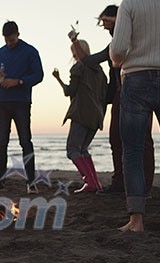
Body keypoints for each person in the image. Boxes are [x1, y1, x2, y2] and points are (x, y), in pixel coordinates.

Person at [110, 0, 160, 232]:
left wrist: (117, 62)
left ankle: (136, 220)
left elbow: (117, 49)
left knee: (133, 151)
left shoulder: (131, 4)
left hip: (137, 78)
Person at [69, 5, 155, 195]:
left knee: (143, 139)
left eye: (107, 21)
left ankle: (145, 185)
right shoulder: (114, 44)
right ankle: (120, 182)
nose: (105, 26)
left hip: (139, 91)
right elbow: (90, 60)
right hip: (119, 94)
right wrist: (75, 40)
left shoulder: (135, 38)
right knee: (116, 137)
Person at [0, 21, 44, 193]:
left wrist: (18, 81)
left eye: (11, 39)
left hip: (21, 102)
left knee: (25, 141)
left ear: (17, 34)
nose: (9, 42)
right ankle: (0, 181)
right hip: (1, 103)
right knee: (1, 142)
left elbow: (39, 75)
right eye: (6, 39)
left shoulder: (30, 51)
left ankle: (31, 182)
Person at [52, 40, 107, 193]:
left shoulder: (79, 67)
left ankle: (90, 181)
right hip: (96, 115)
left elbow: (69, 91)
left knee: (73, 149)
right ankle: (95, 182)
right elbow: (104, 95)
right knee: (83, 149)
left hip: (82, 112)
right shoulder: (100, 71)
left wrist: (58, 79)